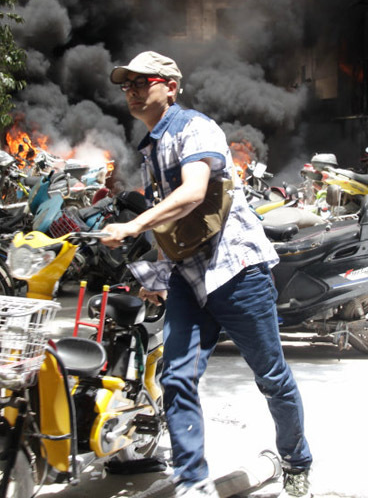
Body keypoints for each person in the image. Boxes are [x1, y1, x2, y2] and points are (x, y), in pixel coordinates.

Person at [101, 51, 312, 498]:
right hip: (187, 277)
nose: (133, 91)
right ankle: (192, 481)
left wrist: (134, 224)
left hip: (237, 272)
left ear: (171, 87)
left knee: (271, 377)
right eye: (127, 85)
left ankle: (296, 462)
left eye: (143, 82)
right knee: (175, 377)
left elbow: (194, 193)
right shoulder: (152, 147)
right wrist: (156, 276)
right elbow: (172, 226)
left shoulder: (194, 127)